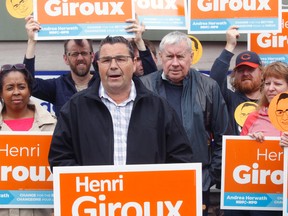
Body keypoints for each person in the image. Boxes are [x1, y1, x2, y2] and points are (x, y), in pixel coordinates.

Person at [48, 36, 193, 171]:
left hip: (145, 197)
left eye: (120, 59)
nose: (113, 66)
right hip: (94, 196)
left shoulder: (159, 107)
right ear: (97, 65)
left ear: (134, 63)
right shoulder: (75, 107)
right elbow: (60, 157)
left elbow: (180, 158)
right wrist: (89, 183)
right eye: (106, 60)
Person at [140, 31, 228, 216]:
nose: (175, 63)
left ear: (191, 57)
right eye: (169, 56)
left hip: (196, 181)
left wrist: (210, 176)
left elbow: (224, 137)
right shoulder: (143, 87)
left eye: (180, 56)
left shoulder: (209, 87)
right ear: (160, 58)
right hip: (152, 181)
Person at [0, 63, 56, 216]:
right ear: (1, 93)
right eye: (10, 88)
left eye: (21, 87)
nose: (16, 92)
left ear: (30, 90)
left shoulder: (53, 125)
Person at [236, 61, 287, 216]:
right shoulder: (253, 117)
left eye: (277, 83)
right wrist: (250, 145)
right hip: (262, 199)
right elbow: (238, 158)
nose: (270, 88)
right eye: (267, 83)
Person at [24, 16, 97, 117]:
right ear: (66, 58)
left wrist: (127, 42)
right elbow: (29, 84)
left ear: (92, 56)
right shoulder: (58, 86)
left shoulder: (103, 84)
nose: (80, 58)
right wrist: (32, 42)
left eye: (84, 53)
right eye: (74, 54)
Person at [210, 26, 263, 135]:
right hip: (234, 151)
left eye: (251, 69)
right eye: (240, 70)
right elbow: (215, 80)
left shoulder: (271, 101)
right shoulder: (228, 99)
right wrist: (230, 46)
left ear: (262, 73)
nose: (245, 73)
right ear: (235, 74)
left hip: (265, 152)